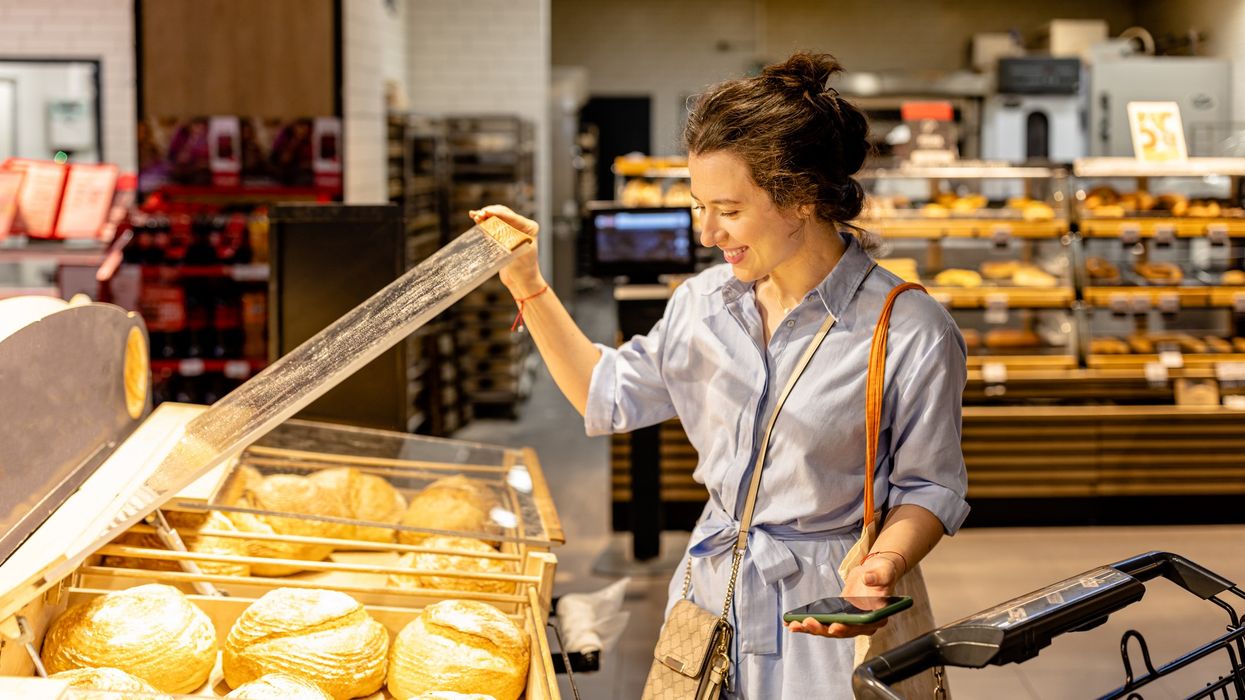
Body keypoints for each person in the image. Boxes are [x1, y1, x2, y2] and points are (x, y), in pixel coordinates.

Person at [470, 51, 969, 699]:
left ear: (800, 198)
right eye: (698, 206)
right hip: (708, 597)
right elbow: (607, 393)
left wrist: (882, 564)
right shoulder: (702, 305)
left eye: (727, 210)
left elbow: (930, 486)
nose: (706, 233)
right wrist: (528, 284)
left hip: (827, 613)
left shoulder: (908, 329)